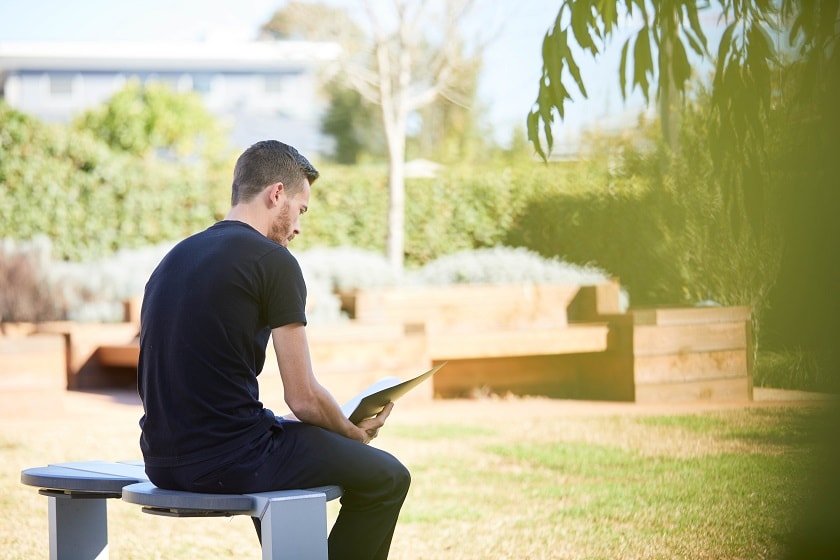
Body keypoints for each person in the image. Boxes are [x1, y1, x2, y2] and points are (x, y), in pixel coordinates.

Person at [137, 140, 410, 559]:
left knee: (283, 439)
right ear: (276, 193)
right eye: (301, 210)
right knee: (388, 477)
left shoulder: (175, 257)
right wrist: (353, 433)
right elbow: (302, 397)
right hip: (230, 460)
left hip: (162, 460)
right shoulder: (274, 262)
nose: (298, 226)